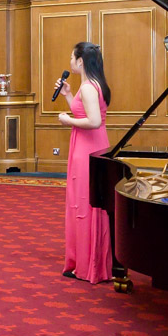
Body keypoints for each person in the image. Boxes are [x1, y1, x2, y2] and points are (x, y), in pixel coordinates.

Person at [56, 42, 112, 284]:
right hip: (91, 145)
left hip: (87, 148)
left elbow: (93, 121)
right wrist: (68, 95)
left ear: (80, 61)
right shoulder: (93, 85)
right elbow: (87, 115)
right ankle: (89, 261)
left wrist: (67, 121)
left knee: (84, 203)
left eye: (72, 56)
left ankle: (89, 264)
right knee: (89, 203)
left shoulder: (89, 87)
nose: (70, 60)